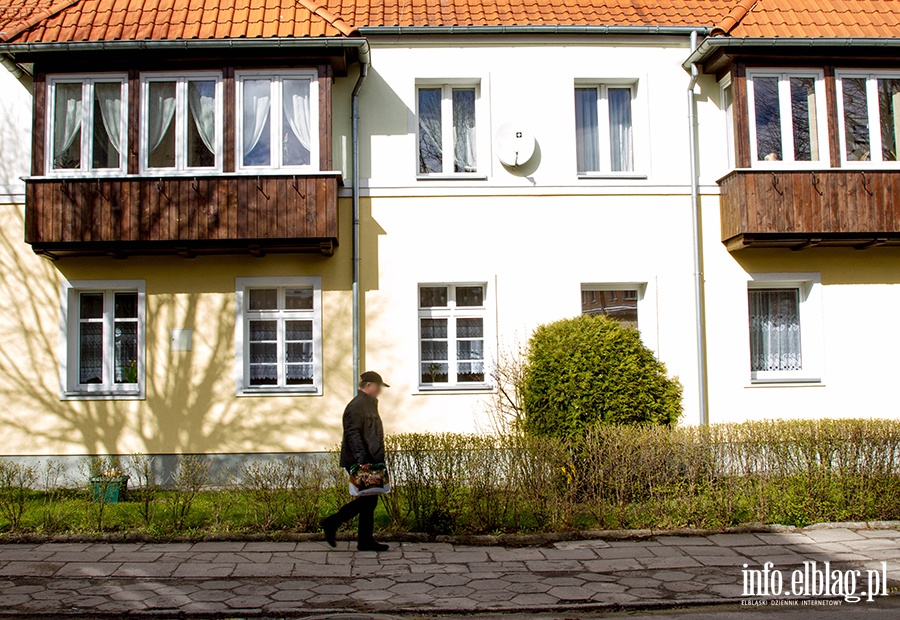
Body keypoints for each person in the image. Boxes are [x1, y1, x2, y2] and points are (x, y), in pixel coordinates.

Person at [321, 371, 390, 552]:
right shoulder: (356, 406)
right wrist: (362, 459)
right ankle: (332, 523)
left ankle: (364, 540)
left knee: (369, 500)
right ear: (369, 386)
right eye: (378, 387)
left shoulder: (368, 405)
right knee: (368, 500)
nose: (380, 391)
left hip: (369, 459)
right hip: (360, 460)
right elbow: (353, 433)